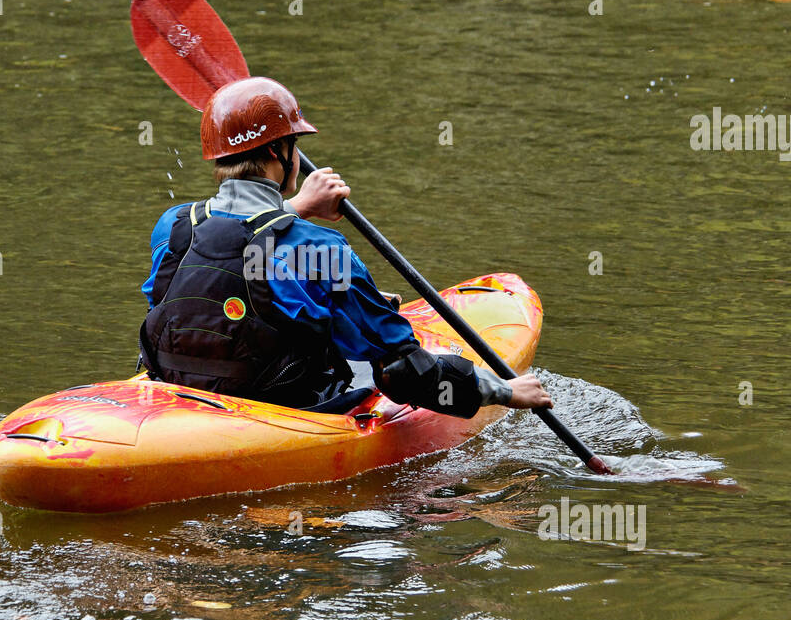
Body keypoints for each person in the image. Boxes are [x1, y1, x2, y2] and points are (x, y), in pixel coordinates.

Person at [139, 76, 552, 416]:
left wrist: (297, 214)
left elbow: (230, 262)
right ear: (277, 152)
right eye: (294, 146)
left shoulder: (173, 227)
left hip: (175, 397)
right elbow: (403, 371)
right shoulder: (319, 251)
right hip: (275, 411)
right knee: (366, 358)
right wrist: (505, 392)